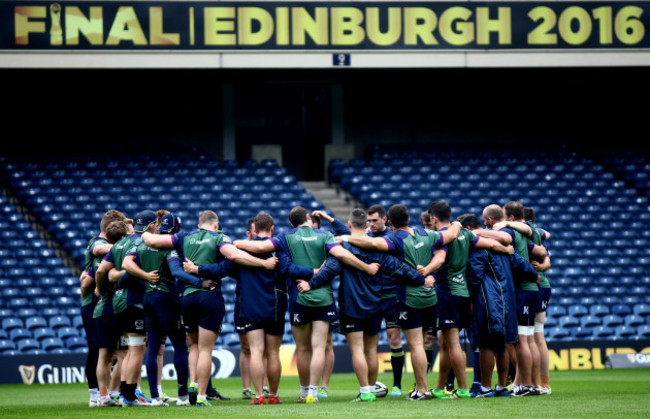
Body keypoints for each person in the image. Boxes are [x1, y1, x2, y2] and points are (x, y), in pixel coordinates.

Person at [233, 206, 379, 404]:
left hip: (299, 297)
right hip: (324, 298)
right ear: (309, 218)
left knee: (302, 349)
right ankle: (313, 392)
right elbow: (340, 259)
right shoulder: (325, 235)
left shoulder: (286, 237)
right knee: (319, 348)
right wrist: (366, 267)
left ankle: (303, 392)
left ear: (292, 224)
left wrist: (234, 242)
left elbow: (267, 254)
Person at [141, 210, 278, 407]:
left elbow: (152, 241)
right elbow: (234, 255)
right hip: (210, 296)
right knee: (206, 349)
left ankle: (194, 382)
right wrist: (263, 263)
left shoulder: (183, 237)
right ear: (216, 225)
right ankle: (202, 396)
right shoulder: (220, 237)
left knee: (194, 346)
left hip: (187, 298)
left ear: (198, 225)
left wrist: (142, 231)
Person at [304, 208, 435, 402]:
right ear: (367, 226)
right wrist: (421, 279)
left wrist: (310, 283)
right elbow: (399, 268)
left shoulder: (343, 249)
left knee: (357, 350)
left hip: (351, 306)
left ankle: (365, 392)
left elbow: (329, 270)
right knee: (371, 351)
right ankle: (372, 390)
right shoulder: (378, 248)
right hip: (375, 305)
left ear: (349, 226)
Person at [341, 204, 462, 400]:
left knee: (414, 346)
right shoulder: (427, 234)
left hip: (410, 298)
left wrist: (344, 237)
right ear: (409, 218)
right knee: (423, 345)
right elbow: (450, 235)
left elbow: (372, 244)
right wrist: (457, 223)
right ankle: (422, 387)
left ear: (389, 222)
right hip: (431, 297)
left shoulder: (395, 239)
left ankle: (421, 390)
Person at [185, 212, 291, 405]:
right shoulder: (280, 249)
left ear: (254, 230)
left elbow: (221, 269)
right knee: (273, 353)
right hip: (275, 305)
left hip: (250, 306)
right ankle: (273, 395)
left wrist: (198, 270)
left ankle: (258, 395)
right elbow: (288, 269)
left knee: (256, 351)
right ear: (272, 229)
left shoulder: (242, 252)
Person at [426, 201, 514, 400]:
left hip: (447, 291)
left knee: (452, 342)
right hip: (464, 294)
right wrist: (507, 250)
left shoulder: (441, 237)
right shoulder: (466, 234)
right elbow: (491, 244)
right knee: (446, 342)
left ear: (433, 218)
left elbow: (439, 259)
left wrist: (424, 273)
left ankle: (463, 388)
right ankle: (440, 387)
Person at [460, 213, 540, 397]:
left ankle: (486, 388)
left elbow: (474, 276)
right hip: (508, 301)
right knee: (503, 344)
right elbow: (519, 261)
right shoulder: (504, 246)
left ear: (470, 230)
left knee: (487, 345)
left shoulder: (478, 247)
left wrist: (469, 299)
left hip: (487, 300)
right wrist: (534, 275)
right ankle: (501, 387)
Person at [122, 212, 191, 407]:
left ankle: (155, 398)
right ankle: (183, 396)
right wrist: (200, 280)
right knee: (179, 344)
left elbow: (126, 271)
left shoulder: (142, 246)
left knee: (152, 347)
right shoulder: (169, 246)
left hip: (148, 298)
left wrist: (118, 284)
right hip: (167, 298)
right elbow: (177, 271)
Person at [99, 210, 159, 407]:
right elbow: (128, 267)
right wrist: (144, 275)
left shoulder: (118, 245)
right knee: (136, 350)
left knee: (128, 351)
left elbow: (103, 271)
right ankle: (129, 397)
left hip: (117, 303)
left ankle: (126, 394)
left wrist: (101, 288)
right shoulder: (142, 243)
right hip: (135, 301)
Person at [484, 202, 539, 396]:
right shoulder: (530, 231)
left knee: (520, 341)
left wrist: (473, 233)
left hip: (521, 288)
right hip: (533, 288)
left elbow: (505, 241)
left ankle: (525, 385)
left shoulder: (510, 231)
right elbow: (541, 251)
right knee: (531, 339)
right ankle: (529, 383)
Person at [80, 209, 126, 407]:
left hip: (103, 302)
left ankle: (105, 394)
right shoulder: (97, 244)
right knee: (98, 350)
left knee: (108, 351)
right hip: (95, 303)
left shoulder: (108, 247)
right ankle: (95, 395)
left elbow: (86, 277)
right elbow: (98, 251)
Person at [366, 205, 407, 397]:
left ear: (385, 220)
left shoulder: (394, 238)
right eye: (369, 220)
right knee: (369, 343)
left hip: (392, 296)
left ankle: (397, 385)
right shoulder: (366, 238)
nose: (371, 224)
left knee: (394, 337)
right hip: (372, 297)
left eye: (374, 220)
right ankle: (368, 386)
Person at [310, 209, 350, 398]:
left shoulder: (326, 239)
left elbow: (346, 234)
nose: (311, 227)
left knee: (327, 344)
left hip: (325, 296)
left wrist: (328, 217)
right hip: (303, 296)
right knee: (308, 345)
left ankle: (324, 385)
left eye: (315, 224)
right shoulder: (296, 241)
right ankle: (309, 385)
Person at [91, 219, 131, 407]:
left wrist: (97, 288)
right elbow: (103, 273)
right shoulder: (117, 254)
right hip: (112, 308)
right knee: (124, 353)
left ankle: (104, 397)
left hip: (101, 309)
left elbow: (92, 274)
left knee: (104, 356)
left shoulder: (105, 254)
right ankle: (124, 393)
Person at [524, 206, 553, 395]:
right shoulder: (539, 235)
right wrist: (542, 266)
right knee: (538, 335)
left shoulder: (525, 236)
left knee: (531, 336)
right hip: (544, 286)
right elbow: (548, 262)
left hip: (535, 287)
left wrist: (539, 267)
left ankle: (533, 383)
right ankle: (543, 383)